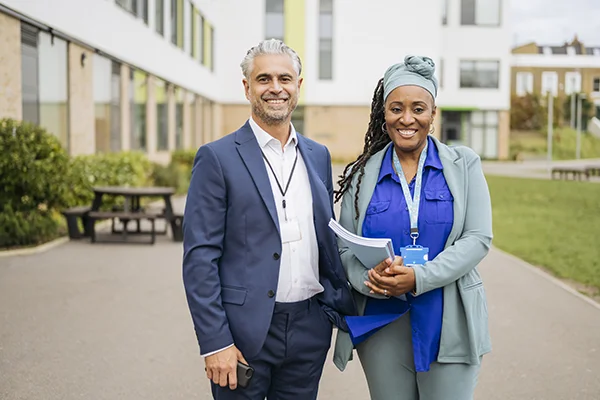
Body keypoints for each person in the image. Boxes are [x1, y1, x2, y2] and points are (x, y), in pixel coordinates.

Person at [182, 39, 356, 400]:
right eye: (264, 79)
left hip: (309, 328)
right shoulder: (216, 158)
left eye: (284, 78)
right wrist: (215, 342)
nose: (275, 88)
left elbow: (325, 237)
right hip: (243, 333)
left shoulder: (318, 155)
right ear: (247, 88)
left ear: (298, 86)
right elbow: (200, 259)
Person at [331, 55, 493, 400]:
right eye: (396, 109)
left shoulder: (464, 165)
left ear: (433, 113)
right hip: (382, 323)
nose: (407, 119)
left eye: (418, 109)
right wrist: (368, 280)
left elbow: (478, 238)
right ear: (384, 114)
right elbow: (343, 247)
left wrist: (420, 277)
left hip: (447, 319)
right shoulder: (362, 175)